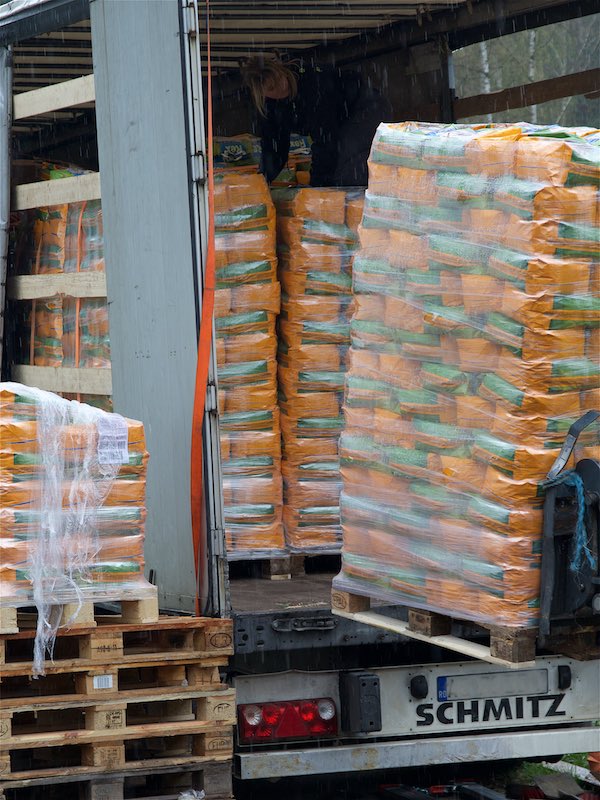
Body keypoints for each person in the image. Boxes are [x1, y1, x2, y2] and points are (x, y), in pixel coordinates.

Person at [241, 55, 392, 187]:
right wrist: (262, 180)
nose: (281, 87)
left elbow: (326, 138)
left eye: (280, 78)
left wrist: (317, 185)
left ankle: (361, 200)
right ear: (262, 94)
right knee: (337, 165)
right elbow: (274, 148)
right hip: (341, 119)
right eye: (272, 88)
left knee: (347, 162)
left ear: (283, 71)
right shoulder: (270, 109)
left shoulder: (312, 83)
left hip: (366, 106)